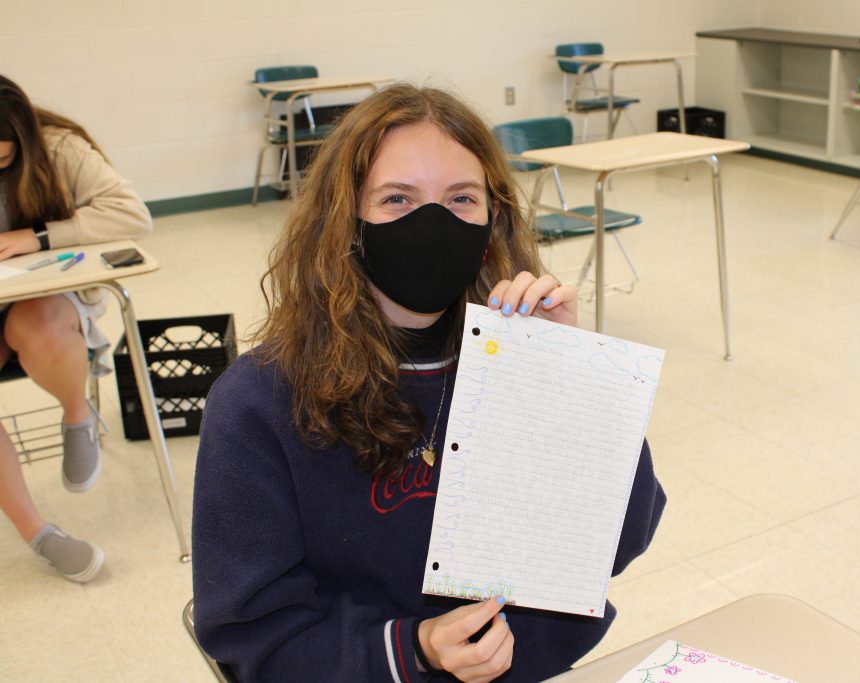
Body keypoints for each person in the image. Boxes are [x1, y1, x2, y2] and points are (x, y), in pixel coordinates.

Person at [192, 83, 665, 682]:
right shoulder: (258, 402)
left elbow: (621, 541)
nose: (434, 223)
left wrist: (564, 375)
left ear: (494, 218)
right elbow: (255, 636)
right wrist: (414, 648)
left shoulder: (512, 354)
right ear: (344, 224)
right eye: (397, 199)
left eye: (461, 198)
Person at [0, 74, 153, 582]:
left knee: (40, 326)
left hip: (43, 295)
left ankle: (77, 413)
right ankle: (38, 532)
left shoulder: (60, 148)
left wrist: (39, 236)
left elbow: (131, 215)